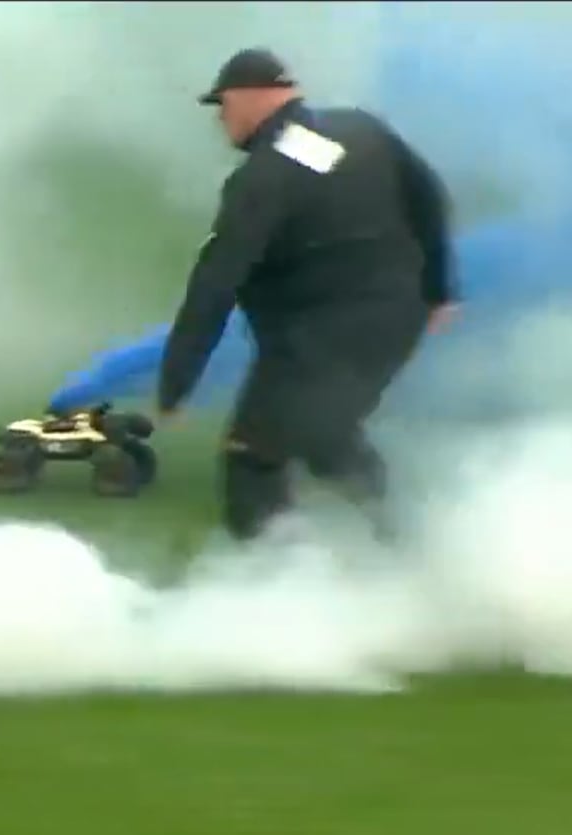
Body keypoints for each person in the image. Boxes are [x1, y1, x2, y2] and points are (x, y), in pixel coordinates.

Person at [156, 48, 460, 541]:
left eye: (223, 106)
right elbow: (428, 195)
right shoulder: (359, 129)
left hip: (319, 339)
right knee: (324, 429)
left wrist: (175, 384)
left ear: (252, 97)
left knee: (253, 455)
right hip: (396, 320)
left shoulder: (263, 177)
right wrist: (441, 288)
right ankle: (402, 538)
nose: (221, 120)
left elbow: (214, 285)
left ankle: (273, 577)